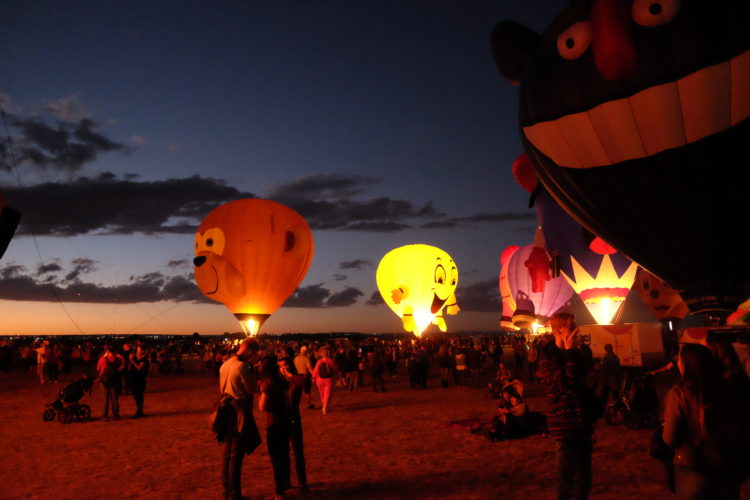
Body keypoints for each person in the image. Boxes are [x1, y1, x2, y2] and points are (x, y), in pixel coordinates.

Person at [662, 343, 750, 499]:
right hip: (726, 465)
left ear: (686, 364)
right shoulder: (728, 388)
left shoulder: (680, 394)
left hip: (693, 468)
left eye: (680, 361)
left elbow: (670, 438)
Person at [539, 312, 595, 500]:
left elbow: (589, 382)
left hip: (582, 425)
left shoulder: (578, 355)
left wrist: (578, 353)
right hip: (565, 426)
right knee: (568, 481)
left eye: (575, 329)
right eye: (570, 329)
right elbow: (567, 384)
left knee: (584, 478)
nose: (575, 333)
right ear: (556, 331)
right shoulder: (548, 358)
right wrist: (570, 352)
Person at [218, 338, 262, 500]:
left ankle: (226, 491)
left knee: (227, 453)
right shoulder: (243, 367)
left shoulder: (225, 364)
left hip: (225, 410)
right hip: (239, 412)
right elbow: (250, 390)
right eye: (254, 354)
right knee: (236, 455)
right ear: (250, 351)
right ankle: (234, 494)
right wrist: (255, 376)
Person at [259, 355, 291, 500]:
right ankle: (286, 482)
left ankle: (279, 491)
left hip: (273, 422)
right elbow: (287, 402)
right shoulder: (282, 380)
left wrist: (261, 395)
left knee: (276, 457)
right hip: (284, 420)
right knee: (284, 453)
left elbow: (261, 407)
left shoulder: (267, 383)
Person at [278, 356, 308, 493]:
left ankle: (302, 482)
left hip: (293, 418)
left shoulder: (296, 379)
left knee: (297, 451)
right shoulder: (278, 381)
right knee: (283, 452)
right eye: (281, 365)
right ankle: (286, 481)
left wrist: (289, 374)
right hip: (281, 419)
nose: (283, 367)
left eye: (286, 364)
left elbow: (302, 381)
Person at [97, 345, 125, 420]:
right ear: (115, 351)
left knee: (105, 399)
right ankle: (116, 415)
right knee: (115, 399)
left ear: (108, 351)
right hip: (114, 380)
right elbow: (122, 366)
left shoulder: (102, 359)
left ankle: (104, 416)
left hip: (104, 381)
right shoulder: (118, 360)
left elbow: (98, 369)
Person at [128, 345, 150, 418]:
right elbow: (129, 368)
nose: (138, 352)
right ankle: (139, 411)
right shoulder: (136, 358)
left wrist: (132, 360)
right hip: (134, 379)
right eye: (137, 350)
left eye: (139, 350)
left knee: (139, 396)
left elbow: (139, 368)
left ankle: (139, 411)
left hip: (140, 380)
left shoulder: (144, 360)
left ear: (143, 351)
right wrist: (130, 361)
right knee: (136, 396)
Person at [312, 348, 336, 414]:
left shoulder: (319, 361)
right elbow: (334, 370)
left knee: (322, 393)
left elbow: (316, 371)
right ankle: (325, 407)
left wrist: (313, 378)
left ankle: (324, 406)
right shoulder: (331, 361)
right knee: (327, 394)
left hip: (319, 380)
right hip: (328, 379)